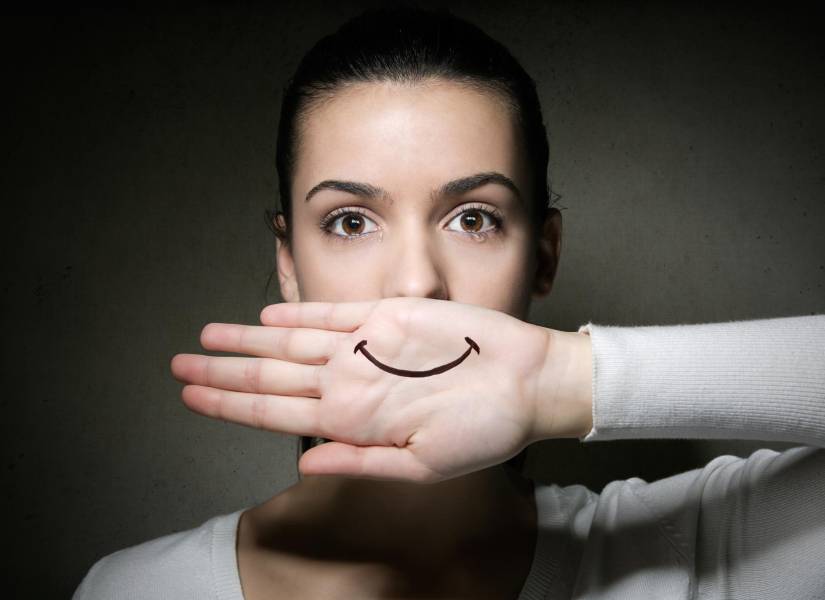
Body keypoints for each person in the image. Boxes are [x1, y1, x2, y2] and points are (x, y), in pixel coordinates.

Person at [72, 6, 825, 599]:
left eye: (473, 218)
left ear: (544, 254)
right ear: (288, 263)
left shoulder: (699, 554)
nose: (414, 284)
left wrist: (563, 379)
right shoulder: (139, 589)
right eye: (350, 221)